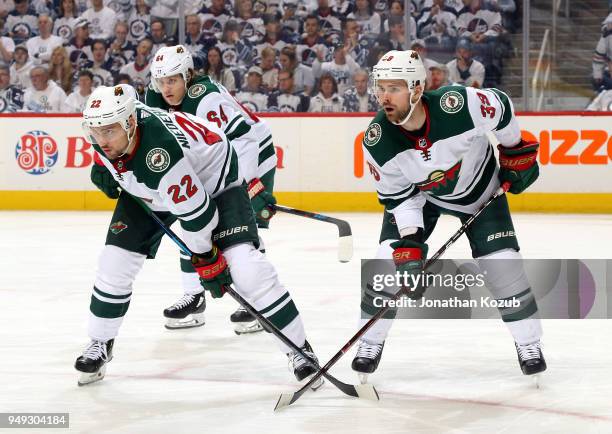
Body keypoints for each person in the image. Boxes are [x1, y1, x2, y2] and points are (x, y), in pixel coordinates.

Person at [75, 85, 323, 390]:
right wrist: (102, 164)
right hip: (155, 189)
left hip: (215, 182)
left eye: (108, 132)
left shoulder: (159, 151)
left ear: (130, 123)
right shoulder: (113, 130)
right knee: (113, 264)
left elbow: (199, 215)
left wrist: (206, 259)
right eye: (95, 132)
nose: (101, 140)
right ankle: (100, 342)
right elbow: (109, 142)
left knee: (247, 270)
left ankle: (300, 351)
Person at [353, 49, 546, 383]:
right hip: (421, 198)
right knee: (385, 263)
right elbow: (400, 199)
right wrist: (410, 242)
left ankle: (529, 343)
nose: (384, 96)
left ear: (416, 89)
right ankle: (369, 342)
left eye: (394, 87)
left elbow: (500, 106)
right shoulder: (377, 140)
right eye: (381, 87)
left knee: (504, 265)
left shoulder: (457, 105)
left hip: (480, 193)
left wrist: (515, 149)